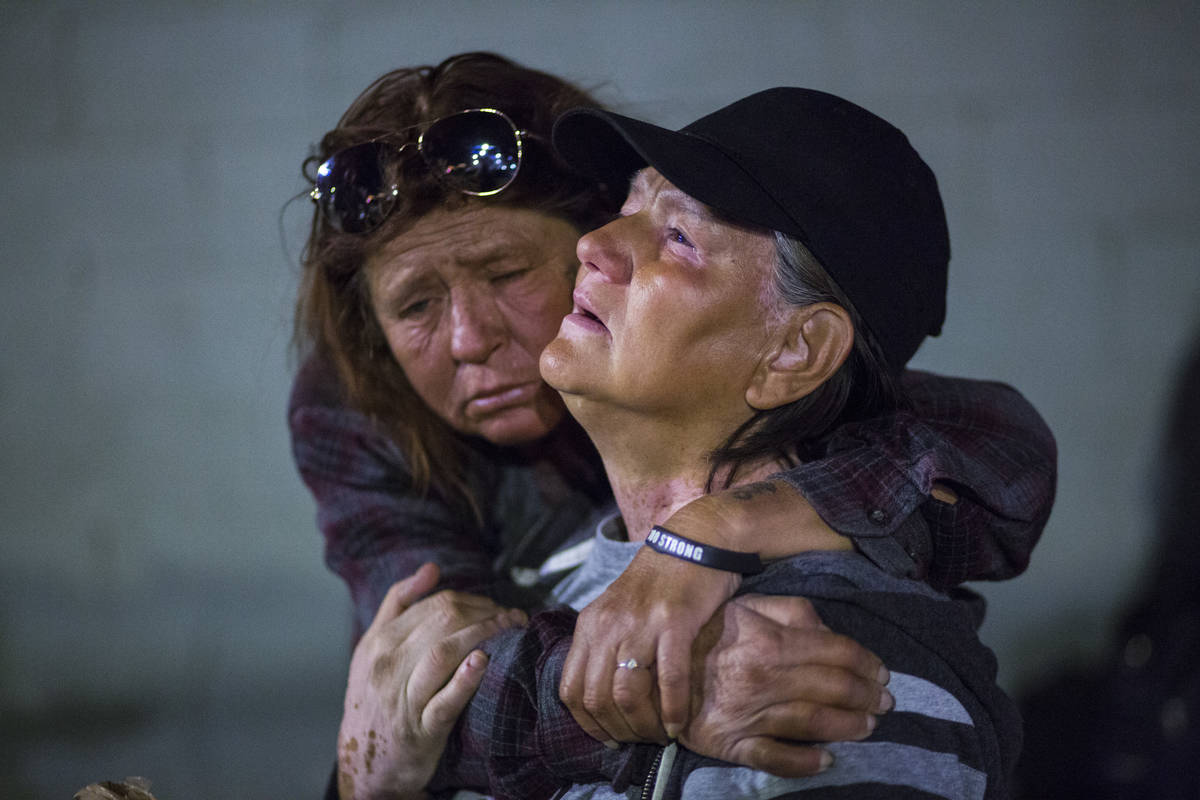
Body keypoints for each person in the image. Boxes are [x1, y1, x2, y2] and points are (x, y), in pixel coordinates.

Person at [289, 53, 1054, 798]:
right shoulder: (362, 415)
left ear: (794, 351)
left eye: (507, 274)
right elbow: (426, 682)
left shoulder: (817, 655)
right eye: (416, 306)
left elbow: (998, 449)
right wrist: (669, 684)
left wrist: (722, 527)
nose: (466, 340)